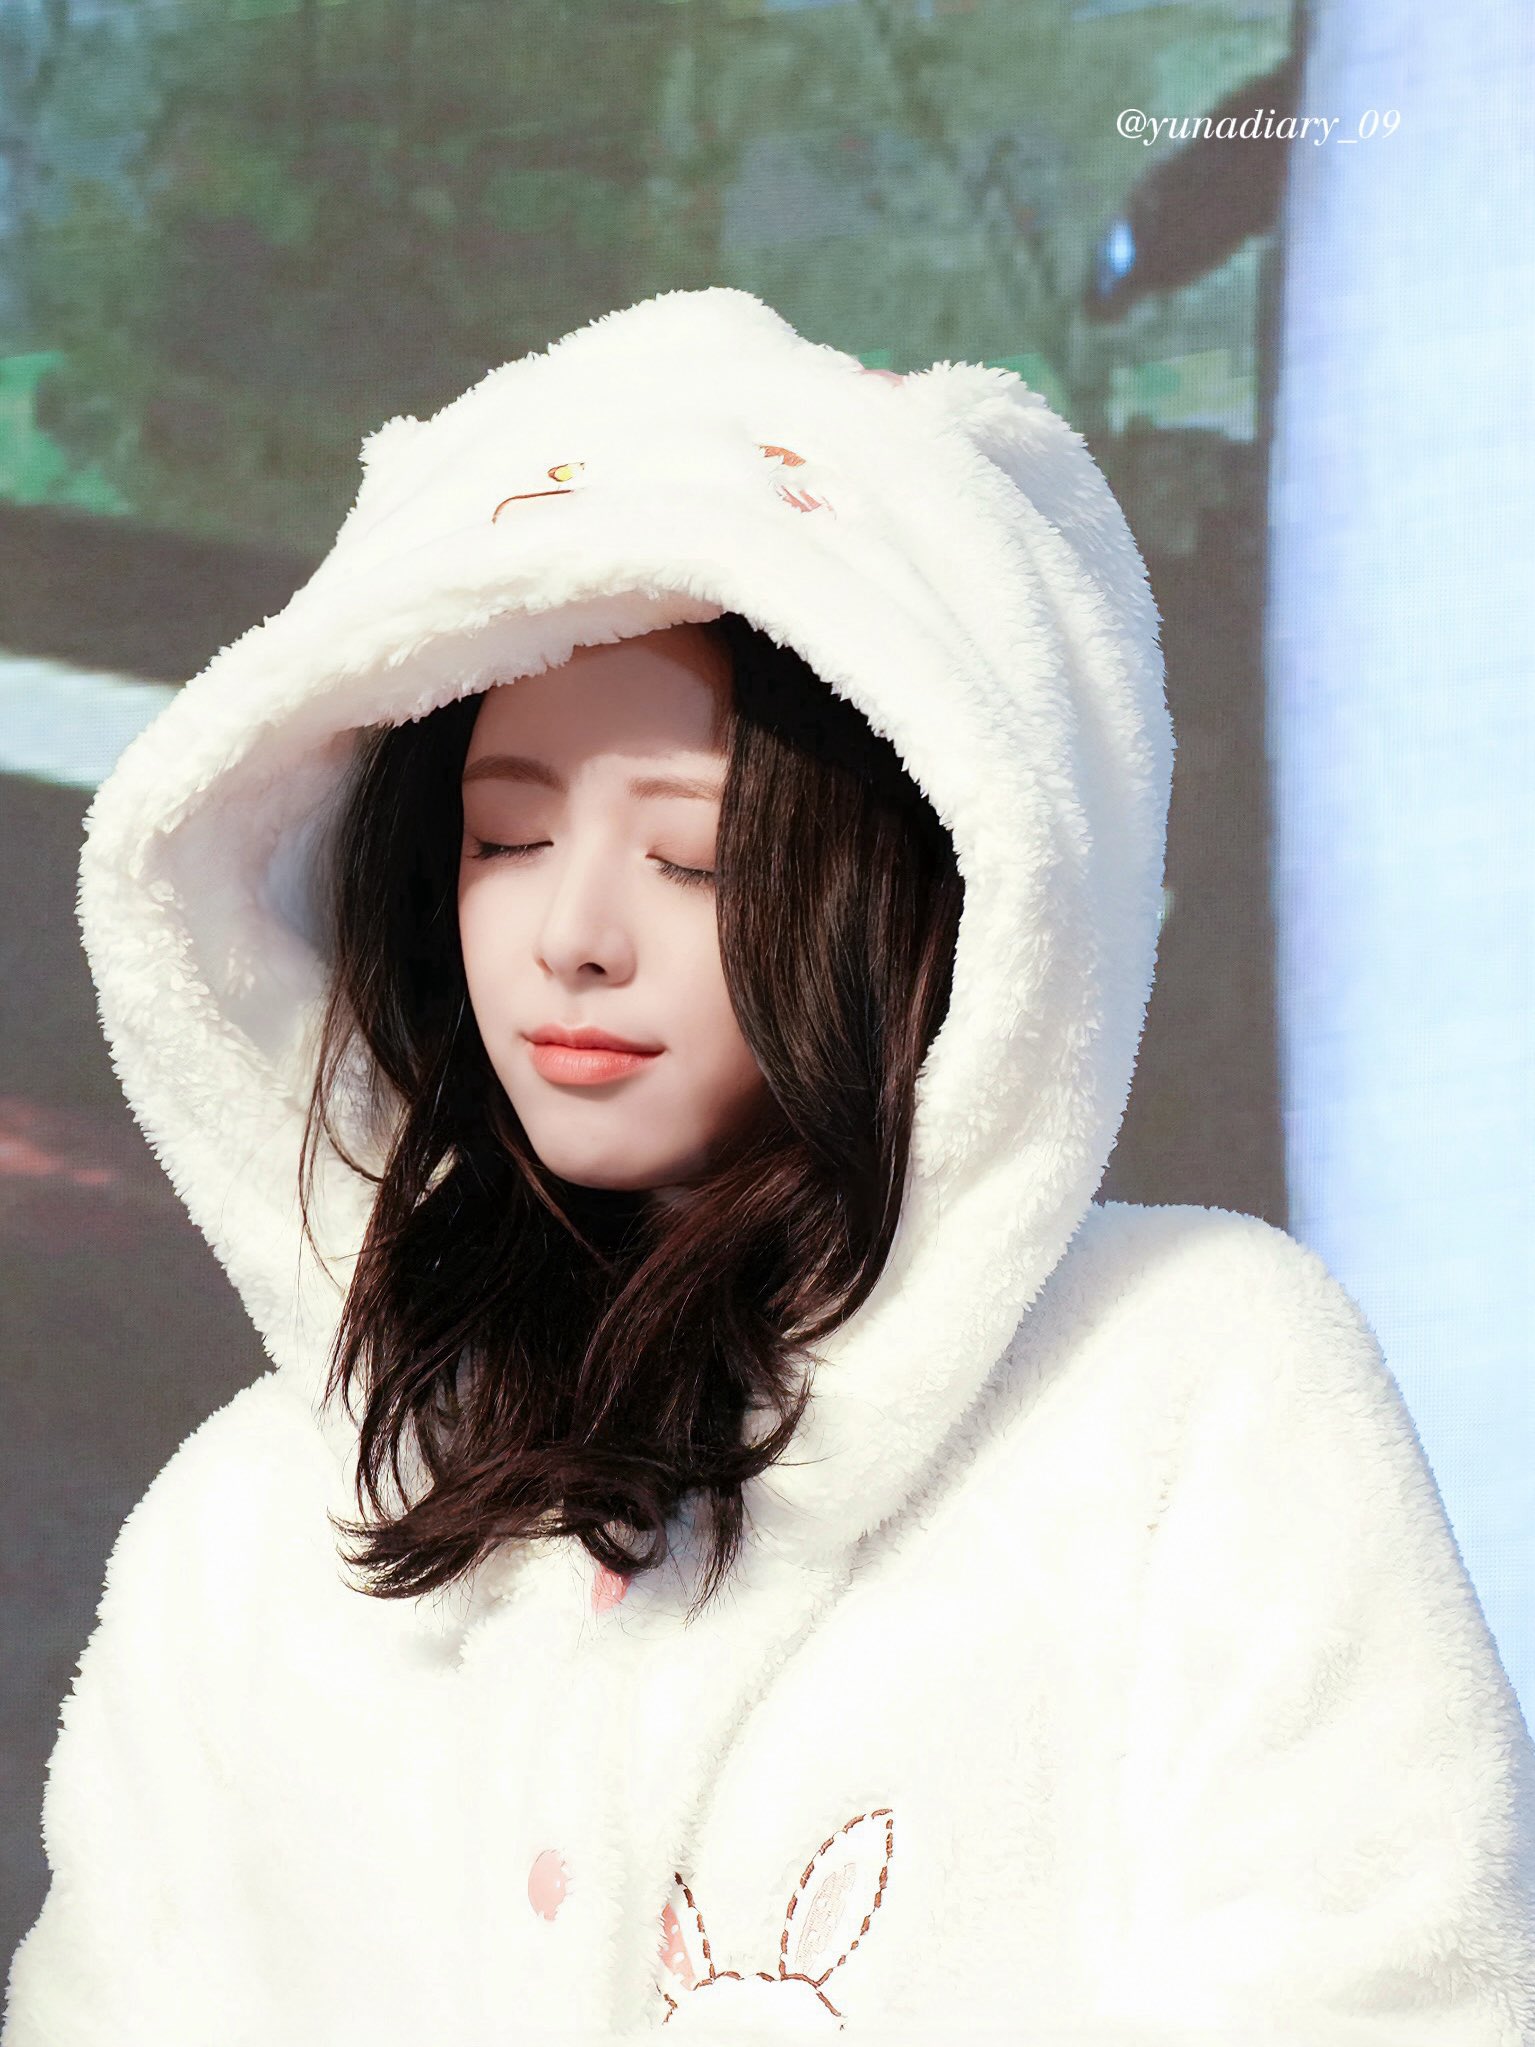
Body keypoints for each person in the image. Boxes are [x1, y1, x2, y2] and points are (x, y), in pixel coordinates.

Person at [3, 286, 1531, 2047]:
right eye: (505, 837)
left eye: (696, 857)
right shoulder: (250, 1530)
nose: (573, 935)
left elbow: (1396, 2004)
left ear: (927, 888)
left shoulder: (1191, 1390)